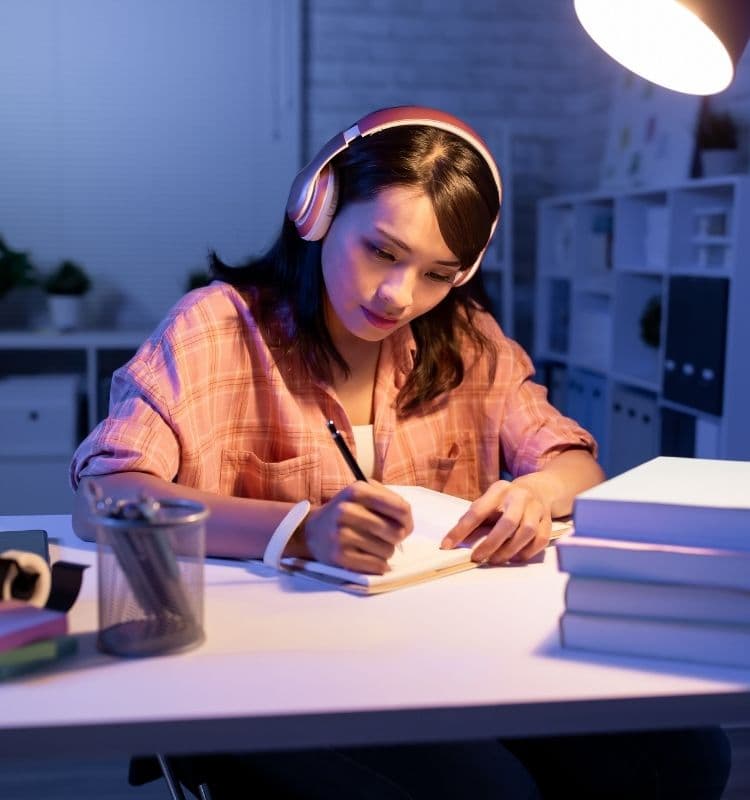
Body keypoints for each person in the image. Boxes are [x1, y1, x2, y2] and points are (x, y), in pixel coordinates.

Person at [70, 107, 729, 799]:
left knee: (687, 755)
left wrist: (535, 495)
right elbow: (103, 499)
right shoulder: (217, 327)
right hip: (273, 674)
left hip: (442, 657)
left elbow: (576, 466)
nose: (399, 296)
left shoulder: (469, 339)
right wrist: (300, 532)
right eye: (382, 251)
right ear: (319, 211)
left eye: (438, 274)